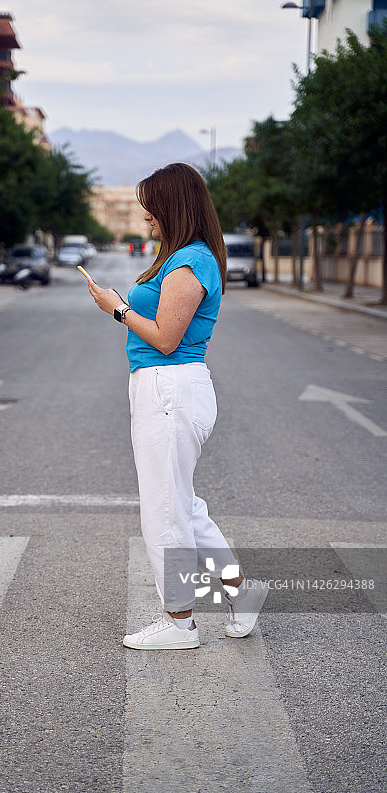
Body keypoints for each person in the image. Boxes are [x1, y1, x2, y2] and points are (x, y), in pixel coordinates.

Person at [86, 163, 268, 650]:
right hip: (169, 389)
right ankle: (240, 592)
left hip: (169, 389)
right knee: (183, 506)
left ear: (174, 207)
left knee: (164, 510)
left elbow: (166, 339)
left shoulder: (189, 263)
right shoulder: (186, 257)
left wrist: (118, 309)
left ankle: (180, 622)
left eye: (152, 210)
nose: (147, 218)